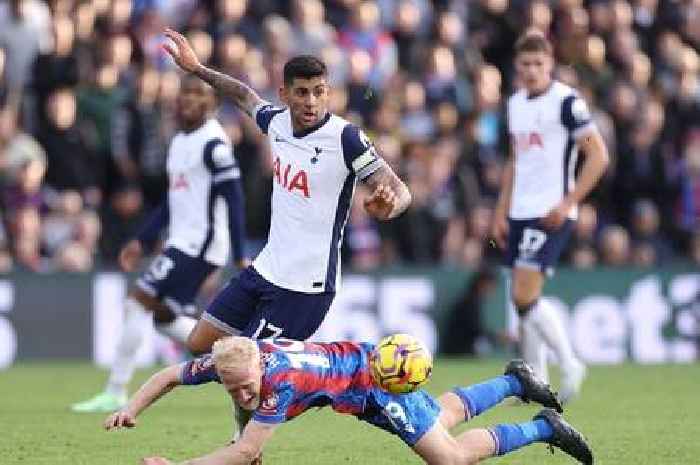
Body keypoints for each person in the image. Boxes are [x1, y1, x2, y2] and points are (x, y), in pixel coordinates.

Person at [161, 27, 411, 443]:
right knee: (199, 341)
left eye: (319, 92)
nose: (311, 102)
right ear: (285, 93)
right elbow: (242, 94)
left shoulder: (345, 138)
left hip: (306, 286)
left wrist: (389, 206)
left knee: (251, 370)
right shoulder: (276, 123)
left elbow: (398, 189)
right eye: (301, 93)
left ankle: (245, 450)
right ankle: (314, 387)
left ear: (328, 92)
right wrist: (198, 68)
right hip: (266, 268)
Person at [105, 336, 593, 465]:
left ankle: (545, 427)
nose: (243, 395)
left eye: (247, 385)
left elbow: (247, 452)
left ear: (260, 369)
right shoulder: (234, 358)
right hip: (357, 365)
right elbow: (170, 374)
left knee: (451, 456)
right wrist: (132, 406)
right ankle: (513, 382)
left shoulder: (281, 382)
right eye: (234, 390)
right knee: (438, 415)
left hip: (370, 383)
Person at [71, 76, 248, 413]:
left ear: (211, 104)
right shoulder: (181, 141)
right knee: (165, 319)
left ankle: (115, 390)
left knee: (138, 302)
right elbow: (173, 200)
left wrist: (240, 255)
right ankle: (234, 355)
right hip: (182, 241)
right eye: (185, 93)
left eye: (198, 94)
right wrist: (142, 238)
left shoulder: (214, 144)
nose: (189, 100)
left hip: (199, 244)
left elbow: (234, 199)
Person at [490, 30, 609, 404]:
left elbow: (599, 156)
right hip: (521, 211)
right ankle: (534, 382)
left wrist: (568, 201)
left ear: (550, 65)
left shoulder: (566, 103)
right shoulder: (515, 104)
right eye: (525, 64)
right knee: (521, 301)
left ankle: (570, 362)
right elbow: (515, 160)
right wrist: (500, 210)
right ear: (516, 66)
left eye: (538, 64)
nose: (531, 71)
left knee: (524, 296)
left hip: (550, 212)